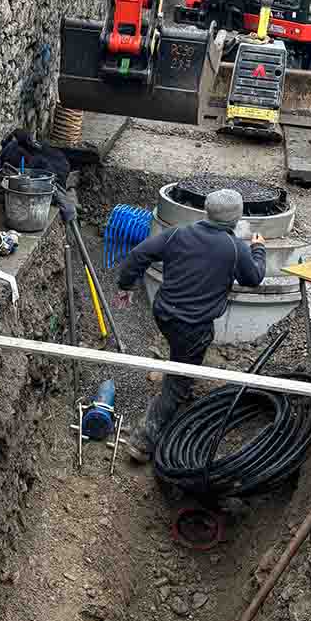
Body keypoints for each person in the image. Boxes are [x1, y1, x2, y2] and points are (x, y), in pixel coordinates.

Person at [113, 188, 266, 463]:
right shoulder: (234, 247)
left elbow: (138, 254)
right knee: (178, 382)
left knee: (182, 352)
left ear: (206, 211)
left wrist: (126, 285)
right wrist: (258, 249)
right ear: (237, 218)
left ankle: (180, 369)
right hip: (193, 325)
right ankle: (142, 441)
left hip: (164, 314)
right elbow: (253, 277)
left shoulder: (178, 234)